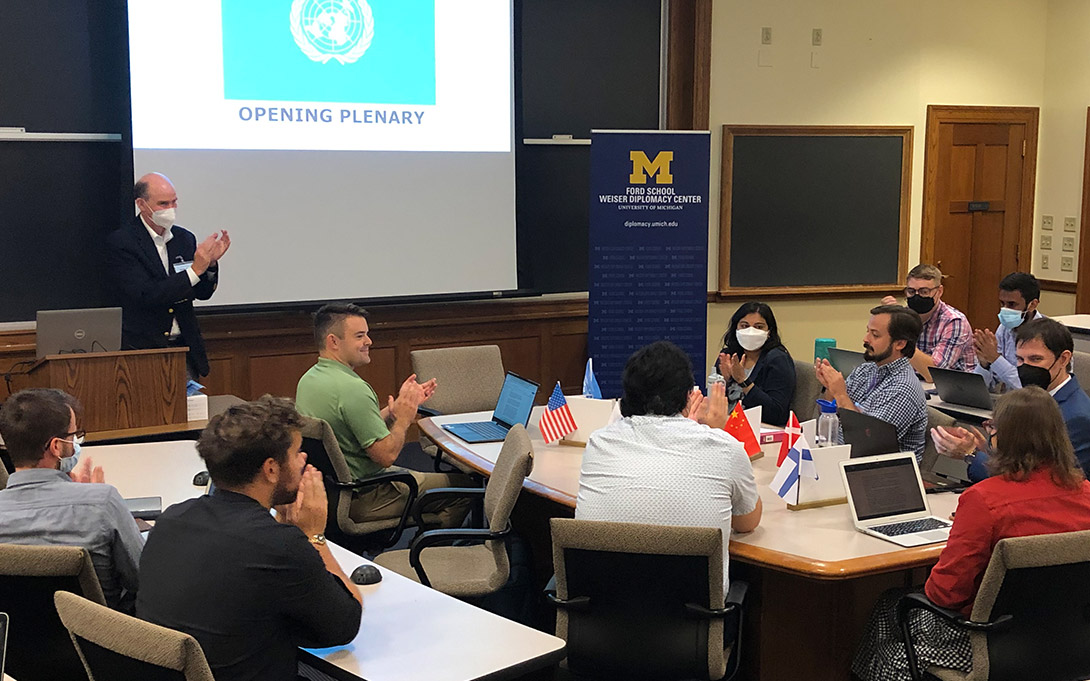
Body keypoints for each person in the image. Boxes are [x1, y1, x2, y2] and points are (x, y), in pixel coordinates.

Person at [852, 386, 1090, 680]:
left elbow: (945, 594)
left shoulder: (984, 500)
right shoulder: (1086, 495)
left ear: (1002, 437)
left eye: (992, 427)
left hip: (987, 644)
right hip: (1072, 646)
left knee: (891, 609)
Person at [136, 397, 362, 681]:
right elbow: (345, 625)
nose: (303, 461)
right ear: (270, 469)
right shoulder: (281, 547)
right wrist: (314, 535)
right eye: (296, 453)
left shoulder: (170, 521)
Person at [576, 340, 762, 589]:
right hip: (692, 619)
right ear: (688, 397)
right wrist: (716, 433)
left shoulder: (599, 442)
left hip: (598, 612)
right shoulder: (723, 448)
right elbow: (747, 522)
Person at [295, 303, 471, 529]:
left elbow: (351, 428)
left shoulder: (309, 380)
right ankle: (434, 551)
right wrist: (404, 419)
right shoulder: (353, 389)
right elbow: (387, 456)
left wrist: (394, 410)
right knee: (464, 487)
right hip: (368, 495)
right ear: (333, 342)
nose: (369, 342)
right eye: (360, 336)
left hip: (332, 492)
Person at [0, 389, 143, 612]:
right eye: (74, 435)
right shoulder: (102, 502)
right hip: (99, 640)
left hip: (15, 644)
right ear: (57, 447)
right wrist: (93, 503)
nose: (76, 442)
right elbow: (142, 579)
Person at [105, 173, 231, 379]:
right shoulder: (122, 243)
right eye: (163, 203)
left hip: (185, 348)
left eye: (174, 202)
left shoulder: (184, 238)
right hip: (143, 351)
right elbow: (146, 294)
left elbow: (201, 293)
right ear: (141, 204)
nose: (170, 209)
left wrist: (210, 265)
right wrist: (195, 271)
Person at [934, 317, 1090, 481]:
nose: (1025, 367)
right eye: (1020, 360)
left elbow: (1046, 484)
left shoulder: (1076, 417)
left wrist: (972, 455)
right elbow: (1022, 461)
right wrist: (988, 451)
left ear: (1063, 359)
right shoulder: (1031, 400)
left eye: (1035, 359)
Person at [815, 305, 928, 459]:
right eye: (868, 331)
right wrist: (830, 388)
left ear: (900, 344)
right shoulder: (866, 370)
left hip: (877, 473)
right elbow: (828, 416)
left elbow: (866, 445)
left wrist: (840, 394)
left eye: (875, 335)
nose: (865, 339)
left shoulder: (903, 389)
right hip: (837, 455)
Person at [881, 264, 974, 381]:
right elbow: (884, 361)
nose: (917, 296)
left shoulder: (954, 322)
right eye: (911, 291)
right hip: (914, 383)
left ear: (939, 291)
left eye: (924, 292)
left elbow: (934, 374)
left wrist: (901, 334)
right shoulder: (903, 316)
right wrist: (886, 320)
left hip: (953, 390)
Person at [713, 301, 796, 426]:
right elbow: (712, 402)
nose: (751, 332)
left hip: (758, 429)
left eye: (759, 327)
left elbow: (776, 414)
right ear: (736, 328)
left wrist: (743, 381)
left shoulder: (778, 359)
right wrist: (723, 381)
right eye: (744, 326)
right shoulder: (729, 355)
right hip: (725, 424)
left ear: (769, 332)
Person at [973, 271, 1044, 391]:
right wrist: (984, 365)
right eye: (1002, 303)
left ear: (1032, 305)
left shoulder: (1047, 335)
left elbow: (1029, 388)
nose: (1005, 309)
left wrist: (995, 359)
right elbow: (982, 387)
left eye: (1012, 304)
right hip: (1006, 403)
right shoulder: (1004, 329)